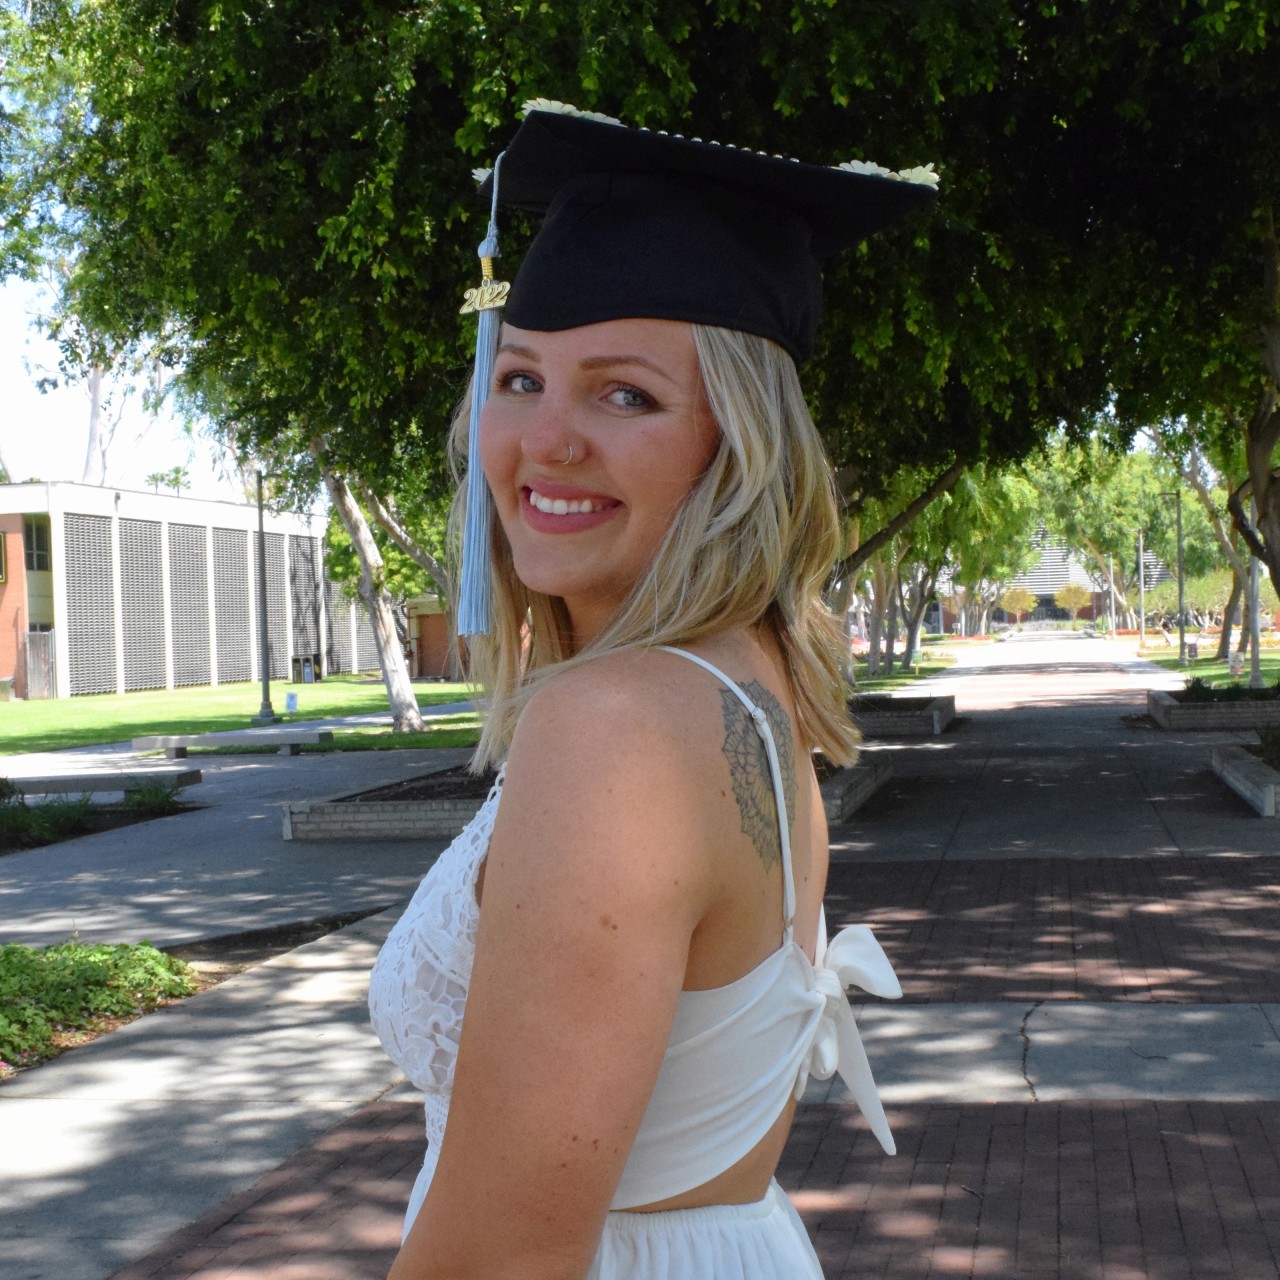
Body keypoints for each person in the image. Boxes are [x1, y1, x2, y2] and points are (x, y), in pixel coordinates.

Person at [369, 102, 937, 1280]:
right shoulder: (746, 685)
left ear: (734, 445)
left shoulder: (616, 725)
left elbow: (498, 1261)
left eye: (624, 395)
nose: (548, 438)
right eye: (519, 377)